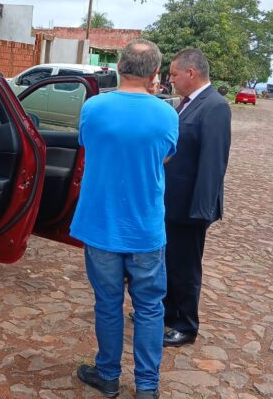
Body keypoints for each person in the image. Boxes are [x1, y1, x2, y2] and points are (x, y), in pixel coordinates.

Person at [70, 39, 178, 399]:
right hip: (146, 228)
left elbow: (89, 147)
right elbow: (164, 158)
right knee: (149, 307)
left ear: (119, 65)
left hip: (101, 226)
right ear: (156, 74)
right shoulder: (167, 114)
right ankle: (147, 386)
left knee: (108, 303)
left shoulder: (94, 107)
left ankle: (108, 375)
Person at [162, 48, 231, 347]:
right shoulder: (186, 105)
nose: (171, 79)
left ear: (191, 73)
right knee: (167, 262)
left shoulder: (214, 106)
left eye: (174, 74)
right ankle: (165, 315)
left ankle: (185, 324)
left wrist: (201, 210)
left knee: (185, 267)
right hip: (172, 203)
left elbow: (213, 162)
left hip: (191, 207)